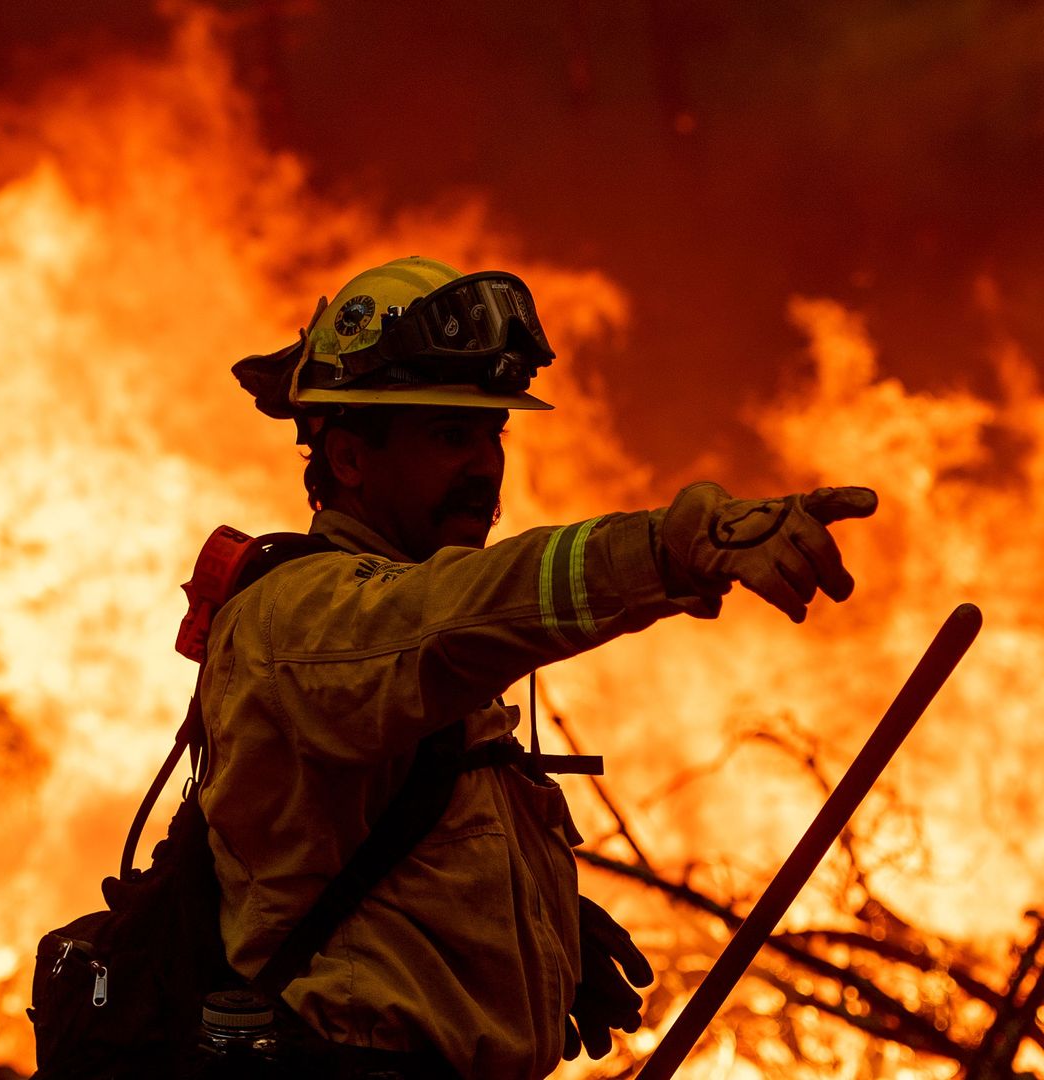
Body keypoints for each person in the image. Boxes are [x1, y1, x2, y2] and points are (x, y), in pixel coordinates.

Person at [208, 257, 877, 1078]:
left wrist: (533, 935)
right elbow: (457, 614)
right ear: (348, 458)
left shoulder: (401, 618)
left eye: (493, 431)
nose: (486, 465)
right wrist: (665, 549)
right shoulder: (305, 615)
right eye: (451, 434)